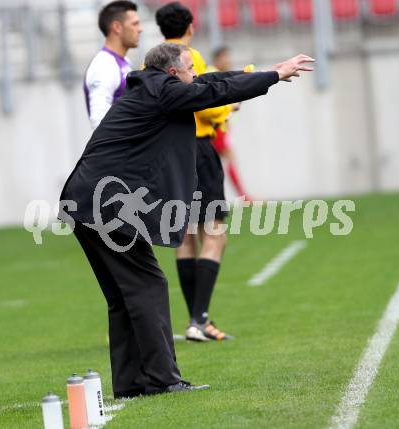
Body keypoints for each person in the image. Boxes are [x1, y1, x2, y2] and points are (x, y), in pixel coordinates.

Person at [59, 42, 314, 398]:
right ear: (173, 73)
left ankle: (132, 382)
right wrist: (273, 76)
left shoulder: (153, 88)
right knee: (147, 285)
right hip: (104, 204)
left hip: (84, 200)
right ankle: (163, 379)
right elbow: (213, 90)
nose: (194, 75)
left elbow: (210, 81)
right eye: (189, 70)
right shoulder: (164, 92)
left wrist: (262, 72)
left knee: (123, 295)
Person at [156, 2, 245, 342]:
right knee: (215, 233)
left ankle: (196, 320)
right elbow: (204, 104)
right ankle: (199, 318)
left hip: (171, 153)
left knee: (186, 236)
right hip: (199, 149)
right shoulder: (190, 57)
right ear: (191, 25)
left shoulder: (153, 61)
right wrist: (230, 105)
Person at [84, 0, 143, 130]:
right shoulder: (104, 65)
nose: (140, 29)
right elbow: (98, 121)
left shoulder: (124, 61)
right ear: (117, 27)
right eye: (135, 24)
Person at [209, 46, 251, 200]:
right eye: (225, 57)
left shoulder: (219, 75)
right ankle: (243, 197)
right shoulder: (212, 74)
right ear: (218, 59)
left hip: (219, 126)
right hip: (214, 128)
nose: (229, 61)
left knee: (217, 163)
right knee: (226, 159)